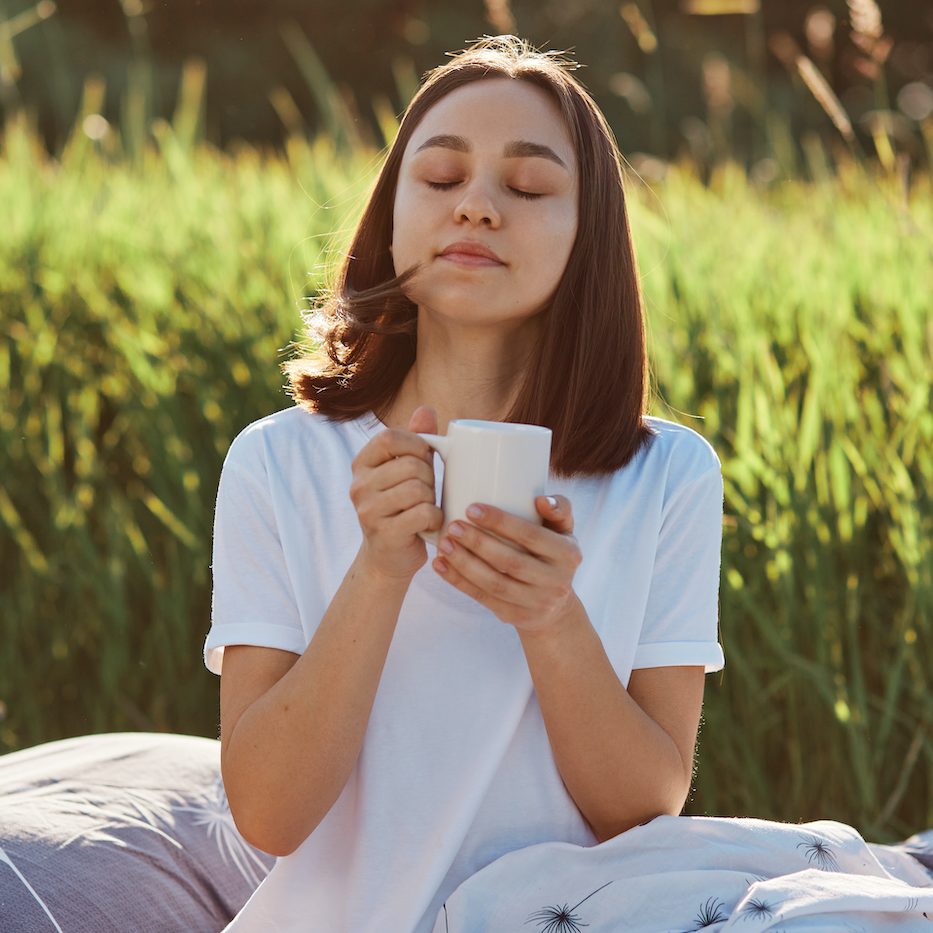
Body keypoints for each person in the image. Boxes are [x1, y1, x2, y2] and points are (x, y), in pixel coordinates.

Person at [203, 34, 726, 931]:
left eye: (526, 189)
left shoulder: (665, 475)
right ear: (392, 216)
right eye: (440, 179)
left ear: (586, 233)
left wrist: (552, 618)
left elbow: (642, 814)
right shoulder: (279, 460)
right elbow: (267, 812)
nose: (477, 207)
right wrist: (375, 571)